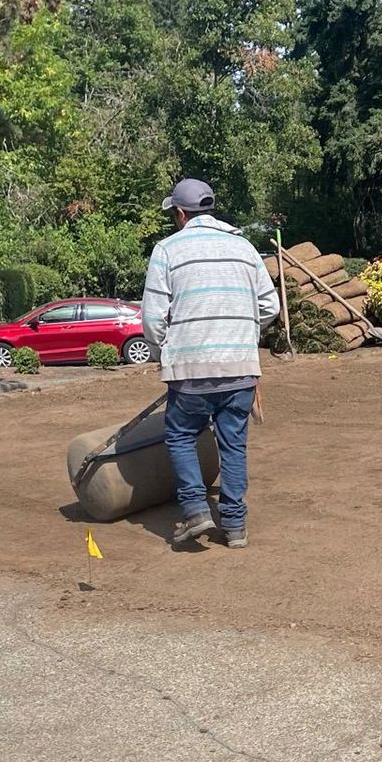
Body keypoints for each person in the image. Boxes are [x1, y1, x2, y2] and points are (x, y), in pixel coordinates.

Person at [141, 178, 279, 549]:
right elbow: (271, 306)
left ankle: (196, 510)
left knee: (181, 436)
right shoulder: (244, 247)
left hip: (190, 371)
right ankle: (234, 527)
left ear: (180, 213)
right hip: (240, 369)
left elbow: (153, 318)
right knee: (233, 445)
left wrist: (162, 351)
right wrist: (242, 334)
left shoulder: (167, 250)